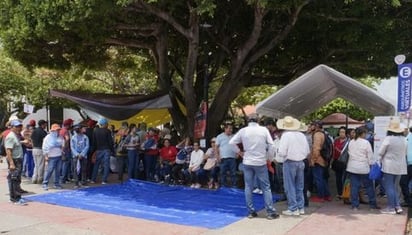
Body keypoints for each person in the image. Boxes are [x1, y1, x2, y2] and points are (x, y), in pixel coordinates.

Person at [229, 113, 279, 220]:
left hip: (247, 161)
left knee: (248, 187)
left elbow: (231, 142)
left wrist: (240, 152)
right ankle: (270, 212)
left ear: (248, 120)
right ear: (258, 120)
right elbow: (272, 145)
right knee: (266, 187)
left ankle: (251, 212)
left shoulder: (243, 131)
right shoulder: (263, 130)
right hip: (260, 161)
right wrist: (269, 158)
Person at [276, 116, 310, 216]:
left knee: (289, 186)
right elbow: (307, 151)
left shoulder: (286, 135)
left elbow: (282, 152)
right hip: (301, 162)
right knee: (300, 186)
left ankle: (293, 208)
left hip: (290, 162)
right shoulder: (302, 135)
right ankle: (301, 207)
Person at [346, 126, 379, 210]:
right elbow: (370, 156)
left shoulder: (351, 142)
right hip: (364, 168)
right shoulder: (366, 142)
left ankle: (355, 205)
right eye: (365, 133)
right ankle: (372, 205)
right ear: (363, 133)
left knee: (354, 187)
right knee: (369, 187)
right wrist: (372, 164)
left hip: (352, 167)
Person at [379, 118, 407, 214]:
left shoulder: (388, 139)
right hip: (400, 166)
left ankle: (391, 208)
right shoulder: (404, 140)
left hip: (389, 166)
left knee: (389, 186)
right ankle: (397, 206)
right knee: (395, 187)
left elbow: (380, 152)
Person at [5, 120, 27, 205]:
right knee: (15, 179)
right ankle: (16, 198)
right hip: (15, 160)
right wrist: (11, 163)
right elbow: (8, 150)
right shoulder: (11, 136)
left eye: (20, 126)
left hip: (17, 159)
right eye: (17, 126)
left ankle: (14, 197)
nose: (19, 128)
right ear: (12, 127)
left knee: (14, 179)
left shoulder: (15, 136)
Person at [309, 120, 331, 202]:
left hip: (318, 160)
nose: (311, 127)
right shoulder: (324, 134)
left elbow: (316, 149)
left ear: (316, 126)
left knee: (318, 178)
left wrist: (313, 160)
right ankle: (327, 195)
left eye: (312, 125)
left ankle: (321, 196)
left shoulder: (317, 135)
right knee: (323, 178)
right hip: (324, 159)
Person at [91, 118, 115, 184]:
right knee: (106, 165)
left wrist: (94, 151)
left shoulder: (95, 131)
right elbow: (110, 142)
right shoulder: (107, 131)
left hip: (98, 149)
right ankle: (104, 180)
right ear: (104, 124)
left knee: (96, 164)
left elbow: (94, 142)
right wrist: (112, 150)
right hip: (106, 149)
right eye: (107, 124)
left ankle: (93, 179)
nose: (107, 125)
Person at [42, 124, 65, 190]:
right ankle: (45, 183)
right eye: (57, 130)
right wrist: (46, 157)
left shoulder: (60, 137)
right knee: (49, 170)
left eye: (58, 130)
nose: (58, 131)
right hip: (51, 156)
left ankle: (56, 183)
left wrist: (62, 153)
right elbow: (44, 147)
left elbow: (63, 145)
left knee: (58, 171)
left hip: (59, 156)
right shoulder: (48, 137)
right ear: (53, 130)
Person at [216, 123, 239, 188]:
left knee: (233, 173)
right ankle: (223, 186)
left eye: (231, 128)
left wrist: (237, 153)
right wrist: (217, 156)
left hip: (233, 157)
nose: (231, 130)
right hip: (223, 158)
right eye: (229, 128)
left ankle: (234, 186)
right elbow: (216, 147)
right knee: (223, 173)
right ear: (225, 129)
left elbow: (237, 145)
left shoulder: (234, 136)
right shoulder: (219, 136)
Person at [331, 126, 349, 199]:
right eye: (340, 132)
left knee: (344, 178)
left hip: (344, 162)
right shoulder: (336, 140)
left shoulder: (348, 141)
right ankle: (339, 193)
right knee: (338, 178)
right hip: (336, 161)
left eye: (343, 132)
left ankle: (344, 193)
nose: (341, 134)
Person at [70, 124, 90, 188]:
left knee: (84, 169)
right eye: (82, 128)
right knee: (76, 169)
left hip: (83, 155)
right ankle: (76, 183)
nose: (83, 129)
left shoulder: (85, 137)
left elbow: (87, 146)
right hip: (76, 155)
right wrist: (77, 154)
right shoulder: (73, 137)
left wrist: (82, 154)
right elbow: (72, 147)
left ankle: (83, 182)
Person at [31, 119, 48, 184]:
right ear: (42, 124)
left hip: (34, 149)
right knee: (41, 165)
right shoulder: (43, 132)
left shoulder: (34, 131)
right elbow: (45, 142)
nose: (46, 125)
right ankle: (40, 178)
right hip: (40, 149)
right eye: (45, 124)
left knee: (36, 165)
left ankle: (34, 178)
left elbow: (32, 139)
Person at [401, 126, 412, 207]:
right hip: (409, 163)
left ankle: (408, 200)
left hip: (409, 164)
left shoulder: (407, 138)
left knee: (403, 182)